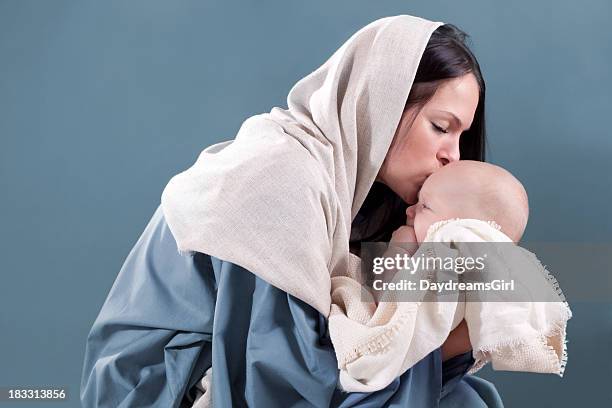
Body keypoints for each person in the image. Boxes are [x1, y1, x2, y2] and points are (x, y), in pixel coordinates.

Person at [80, 15, 505, 407]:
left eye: (460, 136)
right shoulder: (281, 172)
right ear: (384, 100)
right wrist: (453, 340)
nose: (453, 155)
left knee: (462, 396)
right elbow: (282, 380)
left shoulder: (342, 186)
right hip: (162, 389)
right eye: (441, 127)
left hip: (244, 365)